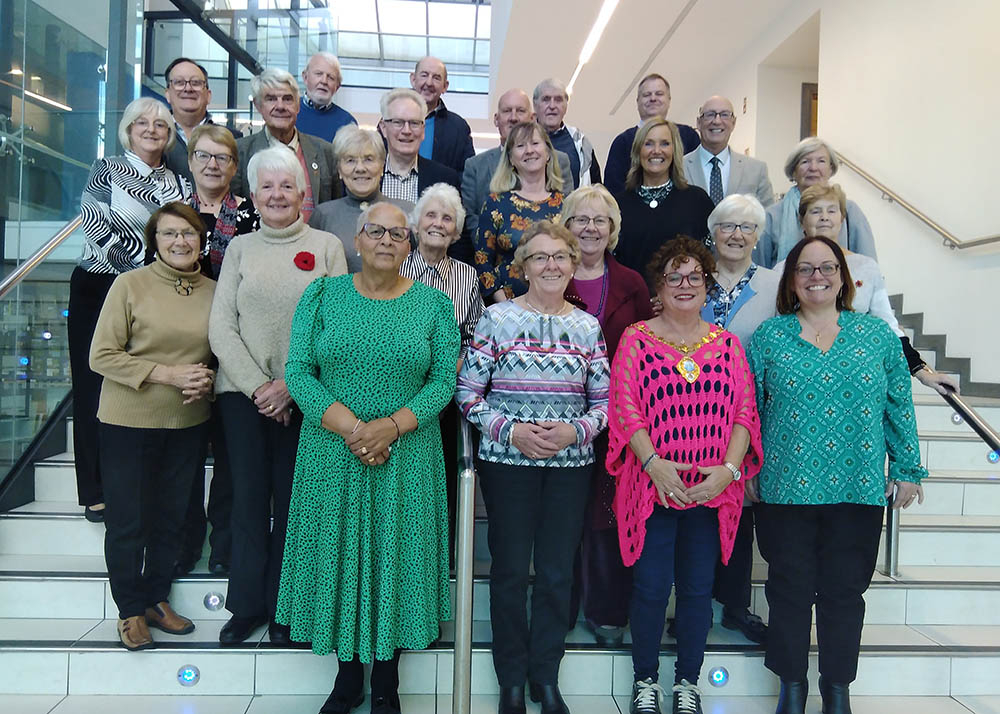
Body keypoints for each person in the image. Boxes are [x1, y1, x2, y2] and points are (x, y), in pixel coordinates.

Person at [277, 201, 460, 714]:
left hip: (407, 454)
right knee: (339, 555)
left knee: (394, 557)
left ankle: (386, 680)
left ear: (410, 246)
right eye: (374, 231)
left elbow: (444, 380)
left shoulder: (433, 305)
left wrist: (390, 427)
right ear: (356, 241)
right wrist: (355, 429)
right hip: (332, 452)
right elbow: (298, 372)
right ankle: (346, 677)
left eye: (397, 234)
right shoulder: (321, 295)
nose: (385, 240)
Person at [747, 236, 927, 714]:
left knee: (845, 593)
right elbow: (749, 412)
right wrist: (744, 468)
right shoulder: (769, 336)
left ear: (844, 277)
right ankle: (791, 686)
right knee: (788, 590)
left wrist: (908, 466)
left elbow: (898, 404)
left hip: (858, 486)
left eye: (827, 267)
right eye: (805, 269)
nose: (817, 277)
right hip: (785, 487)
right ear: (791, 280)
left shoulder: (876, 336)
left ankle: (836, 690)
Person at [456, 220, 610, 714]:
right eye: (540, 257)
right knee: (507, 572)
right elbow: (467, 395)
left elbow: (606, 405)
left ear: (573, 265)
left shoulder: (588, 327)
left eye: (560, 257)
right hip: (508, 465)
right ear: (523, 266)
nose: (550, 265)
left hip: (570, 466)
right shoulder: (495, 319)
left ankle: (546, 677)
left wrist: (574, 432)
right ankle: (512, 682)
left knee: (556, 574)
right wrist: (513, 431)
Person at [606, 237, 762, 714]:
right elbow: (625, 407)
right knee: (652, 587)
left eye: (695, 276)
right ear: (659, 286)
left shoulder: (728, 345)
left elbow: (744, 413)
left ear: (708, 285)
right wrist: (654, 466)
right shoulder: (637, 338)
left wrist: (727, 473)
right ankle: (646, 682)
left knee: (697, 590)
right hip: (653, 488)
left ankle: (688, 683)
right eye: (674, 276)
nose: (685, 284)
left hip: (711, 490)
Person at [209, 146, 348, 646]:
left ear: (302, 193)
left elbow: (336, 325)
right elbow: (221, 325)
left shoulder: (328, 246)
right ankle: (246, 606)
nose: (276, 194)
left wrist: (291, 385)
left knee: (296, 505)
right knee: (247, 501)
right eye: (266, 186)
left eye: (286, 185)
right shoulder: (240, 249)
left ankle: (288, 610)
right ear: (252, 194)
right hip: (242, 396)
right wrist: (258, 387)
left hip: (306, 397)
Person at [89, 202, 215, 651]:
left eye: (188, 233)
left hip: (187, 422)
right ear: (154, 241)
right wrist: (169, 373)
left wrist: (207, 379)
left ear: (201, 239)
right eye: (169, 234)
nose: (180, 241)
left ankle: (156, 599)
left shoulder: (213, 291)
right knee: (128, 521)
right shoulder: (130, 285)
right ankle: (129, 611)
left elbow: (218, 353)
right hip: (128, 421)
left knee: (172, 518)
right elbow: (101, 355)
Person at [71, 96, 190, 524]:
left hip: (155, 292)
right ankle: (94, 489)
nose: (151, 130)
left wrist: (155, 279)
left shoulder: (180, 183)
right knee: (94, 384)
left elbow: (183, 232)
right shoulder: (106, 169)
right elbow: (94, 222)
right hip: (102, 284)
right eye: (142, 123)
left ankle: (141, 480)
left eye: (160, 124)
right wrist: (141, 270)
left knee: (142, 381)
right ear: (128, 128)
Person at [559, 185, 652, 647]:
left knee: (607, 516)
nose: (591, 228)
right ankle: (561, 606)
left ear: (613, 229)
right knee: (564, 516)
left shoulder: (633, 282)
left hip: (618, 418)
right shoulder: (551, 274)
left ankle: (606, 609)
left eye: (600, 221)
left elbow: (648, 347)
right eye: (581, 219)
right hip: (560, 414)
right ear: (567, 226)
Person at [173, 123, 261, 576]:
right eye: (204, 156)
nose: (213, 164)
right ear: (190, 161)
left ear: (234, 166)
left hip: (232, 345)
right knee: (184, 453)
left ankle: (223, 544)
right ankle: (185, 543)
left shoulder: (250, 215)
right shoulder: (172, 214)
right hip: (182, 344)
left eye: (222, 158)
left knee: (228, 458)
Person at [699, 194, 779, 646]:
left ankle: (733, 605)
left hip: (754, 412)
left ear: (758, 236)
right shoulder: (695, 277)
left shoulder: (774, 284)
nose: (736, 235)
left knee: (742, 510)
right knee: (700, 508)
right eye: (727, 226)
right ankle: (694, 602)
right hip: (695, 414)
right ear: (713, 231)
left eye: (747, 228)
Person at [793, 184, 957, 396]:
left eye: (831, 210)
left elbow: (888, 324)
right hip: (804, 378)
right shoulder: (785, 270)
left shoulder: (866, 267)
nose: (824, 217)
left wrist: (922, 372)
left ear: (842, 219)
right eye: (815, 211)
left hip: (856, 378)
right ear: (802, 221)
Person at [400, 183, 484, 561]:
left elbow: (478, 336)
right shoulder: (395, 265)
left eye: (447, 218)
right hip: (396, 393)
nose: (438, 223)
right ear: (416, 226)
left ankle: (439, 564)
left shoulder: (467, 277)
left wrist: (459, 361)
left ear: (456, 230)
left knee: (444, 484)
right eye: (430, 216)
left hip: (446, 398)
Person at [461, 88, 573, 240]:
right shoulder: (474, 166)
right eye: (507, 111)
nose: (513, 118)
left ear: (533, 118)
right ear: (496, 119)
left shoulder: (559, 160)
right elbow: (469, 216)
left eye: (520, 111)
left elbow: (569, 212)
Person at [231, 68, 340, 222]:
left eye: (287, 99)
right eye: (271, 99)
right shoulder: (239, 152)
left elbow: (335, 209)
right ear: (258, 105)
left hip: (314, 244)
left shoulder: (325, 152)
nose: (280, 106)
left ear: (298, 105)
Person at [613, 118, 714, 282]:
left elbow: (709, 260)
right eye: (649, 144)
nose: (657, 150)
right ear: (638, 151)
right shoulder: (617, 205)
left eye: (665, 143)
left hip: (683, 300)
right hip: (632, 302)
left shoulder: (697, 201)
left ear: (675, 151)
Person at [473, 121, 565, 302]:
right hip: (505, 309)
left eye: (535, 143)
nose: (529, 150)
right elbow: (482, 260)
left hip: (556, 306)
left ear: (548, 153)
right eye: (521, 146)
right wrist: (506, 305)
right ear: (511, 159)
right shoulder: (496, 203)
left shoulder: (565, 204)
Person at [755, 136, 876, 268]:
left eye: (821, 161)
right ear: (794, 170)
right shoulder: (772, 215)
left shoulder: (849, 210)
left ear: (831, 169)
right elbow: (759, 269)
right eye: (805, 161)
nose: (813, 168)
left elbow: (867, 266)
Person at [309, 125, 412, 272]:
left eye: (368, 159)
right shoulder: (323, 215)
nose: (360, 168)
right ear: (339, 169)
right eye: (350, 160)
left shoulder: (407, 212)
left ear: (382, 166)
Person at [604, 74, 700, 196]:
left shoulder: (688, 136)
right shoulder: (622, 142)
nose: (653, 98)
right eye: (647, 95)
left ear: (669, 100)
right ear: (637, 101)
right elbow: (613, 191)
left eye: (659, 94)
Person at [682, 96, 774, 207]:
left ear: (733, 123)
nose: (717, 121)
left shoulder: (756, 170)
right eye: (710, 115)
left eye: (724, 115)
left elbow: (767, 218)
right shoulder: (679, 168)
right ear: (698, 123)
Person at [162, 57, 242, 183]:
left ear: (208, 95)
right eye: (179, 82)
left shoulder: (234, 139)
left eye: (196, 83)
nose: (188, 89)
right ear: (167, 94)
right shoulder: (154, 138)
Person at [379, 87, 462, 207]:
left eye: (414, 123)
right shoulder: (366, 176)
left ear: (423, 130)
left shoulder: (445, 179)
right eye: (398, 122)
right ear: (383, 128)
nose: (407, 131)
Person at [411, 56, 475, 175]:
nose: (429, 83)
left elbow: (467, 174)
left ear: (445, 86)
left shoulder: (459, 128)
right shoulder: (392, 120)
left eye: (436, 78)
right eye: (424, 75)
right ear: (413, 79)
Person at [533, 78, 601, 189]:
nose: (552, 106)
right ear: (535, 105)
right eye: (546, 99)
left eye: (558, 100)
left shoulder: (581, 143)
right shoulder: (522, 141)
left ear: (566, 106)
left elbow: (596, 187)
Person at [296, 52, 357, 143]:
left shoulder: (347, 123)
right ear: (305, 77)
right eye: (319, 74)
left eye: (331, 77)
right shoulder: (288, 112)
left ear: (337, 86)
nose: (324, 81)